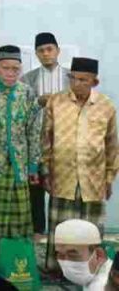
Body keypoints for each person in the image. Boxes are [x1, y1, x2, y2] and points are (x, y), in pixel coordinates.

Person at [43, 58, 118, 272]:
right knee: (61, 227)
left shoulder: (106, 106)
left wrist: (109, 178)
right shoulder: (56, 102)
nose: (76, 83)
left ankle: (89, 270)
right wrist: (45, 171)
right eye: (73, 78)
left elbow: (112, 145)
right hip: (62, 176)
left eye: (83, 80)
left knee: (91, 229)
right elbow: (46, 138)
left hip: (93, 178)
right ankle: (56, 269)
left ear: (95, 82)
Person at [0, 45, 42, 245]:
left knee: (18, 217)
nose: (11, 73)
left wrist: (33, 165)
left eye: (15, 69)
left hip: (19, 165)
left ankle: (16, 260)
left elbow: (33, 131)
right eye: (6, 68)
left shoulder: (27, 93)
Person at [21, 32, 70, 239]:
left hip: (65, 141)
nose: (46, 54)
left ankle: (64, 233)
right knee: (36, 190)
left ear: (58, 51)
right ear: (36, 54)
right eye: (41, 51)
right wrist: (37, 102)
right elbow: (21, 111)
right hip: (37, 143)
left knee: (64, 189)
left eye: (50, 49)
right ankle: (38, 234)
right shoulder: (27, 79)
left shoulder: (72, 77)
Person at [54, 219, 112, 290]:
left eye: (73, 255)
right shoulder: (95, 276)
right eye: (60, 255)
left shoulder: (101, 286)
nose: (66, 263)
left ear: (98, 255)